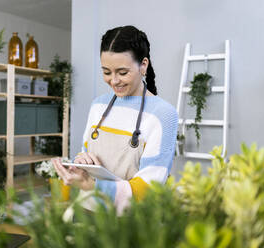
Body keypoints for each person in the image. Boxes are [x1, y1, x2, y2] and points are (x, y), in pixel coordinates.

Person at [52, 25, 178, 214]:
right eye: (106, 72)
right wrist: (80, 163)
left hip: (130, 224)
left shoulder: (163, 114)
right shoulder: (98, 106)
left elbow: (149, 188)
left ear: (143, 65)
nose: (114, 81)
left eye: (122, 72)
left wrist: (92, 186)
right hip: (87, 212)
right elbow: (85, 152)